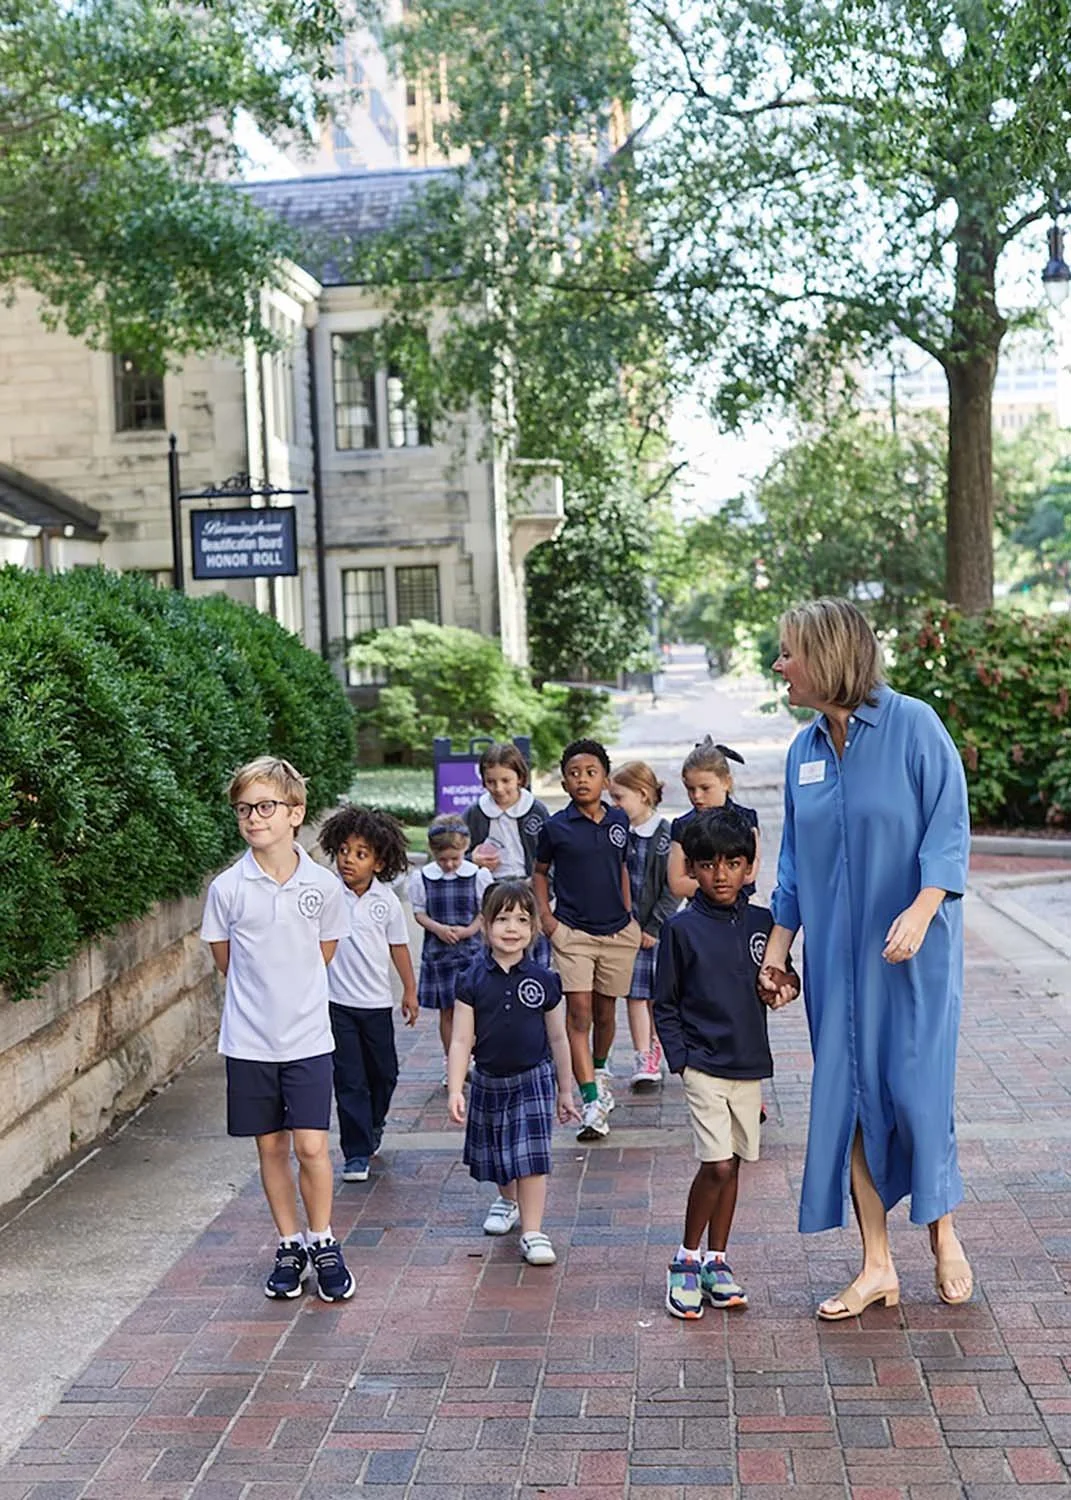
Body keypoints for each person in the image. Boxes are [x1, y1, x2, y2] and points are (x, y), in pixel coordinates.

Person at [760, 597, 973, 1319]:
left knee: (916, 1096)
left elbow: (947, 828)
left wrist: (921, 908)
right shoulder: (803, 752)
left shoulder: (913, 725)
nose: (778, 665)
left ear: (826, 657)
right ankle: (875, 1264)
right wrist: (779, 952)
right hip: (837, 969)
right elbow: (791, 865)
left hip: (912, 957)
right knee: (850, 1104)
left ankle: (942, 1233)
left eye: (787, 652)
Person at [199, 756, 355, 1302]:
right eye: (244, 809)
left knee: (312, 1146)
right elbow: (227, 960)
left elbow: (324, 954)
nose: (253, 818)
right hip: (248, 1043)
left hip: (309, 1040)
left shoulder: (323, 887)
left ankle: (324, 1241)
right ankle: (289, 1245)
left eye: (265, 807)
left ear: (296, 813)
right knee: (271, 1148)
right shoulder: (227, 888)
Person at [655, 809, 798, 1319]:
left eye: (733, 863)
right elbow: (664, 1003)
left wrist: (784, 988)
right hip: (703, 1066)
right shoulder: (681, 929)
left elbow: (786, 976)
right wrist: (682, 1063)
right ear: (692, 868)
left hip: (748, 1064)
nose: (721, 875)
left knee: (733, 1164)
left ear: (749, 866)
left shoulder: (763, 924)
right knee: (714, 1163)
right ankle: (685, 1259)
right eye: (709, 864)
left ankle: (718, 1260)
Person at [448, 881, 580, 1263]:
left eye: (522, 919)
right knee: (501, 1154)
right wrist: (456, 1088)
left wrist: (565, 1090)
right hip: (489, 1079)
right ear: (486, 924)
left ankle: (534, 1231)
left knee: (531, 1155)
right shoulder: (471, 980)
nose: (512, 928)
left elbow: (559, 1038)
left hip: (533, 1078)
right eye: (502, 918)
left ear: (534, 927)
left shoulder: (544, 980)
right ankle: (508, 1202)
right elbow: (460, 1040)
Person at [532, 739, 641, 1140]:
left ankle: (598, 1067)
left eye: (591, 772)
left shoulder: (618, 821)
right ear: (564, 783)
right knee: (579, 1013)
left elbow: (623, 867)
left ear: (605, 780)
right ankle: (591, 1099)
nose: (582, 779)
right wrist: (547, 918)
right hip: (572, 933)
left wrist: (629, 915)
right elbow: (540, 872)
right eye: (574, 773)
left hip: (616, 932)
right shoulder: (555, 828)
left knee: (606, 1013)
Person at [319, 805, 418, 1184]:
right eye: (344, 850)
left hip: (376, 1005)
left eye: (360, 854)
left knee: (385, 1074)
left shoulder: (386, 902)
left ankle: (374, 1123)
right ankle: (356, 1152)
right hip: (336, 1005)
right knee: (350, 1080)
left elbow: (399, 947)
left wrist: (409, 991)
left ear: (378, 862)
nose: (349, 859)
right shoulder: (327, 895)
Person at [608, 760, 678, 1088]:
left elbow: (672, 888)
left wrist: (653, 926)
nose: (615, 805)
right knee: (635, 995)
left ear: (643, 794)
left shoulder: (666, 834)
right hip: (626, 929)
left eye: (619, 798)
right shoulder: (618, 833)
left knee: (658, 996)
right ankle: (642, 1056)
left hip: (656, 932)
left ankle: (657, 1046)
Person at [410, 814, 493, 1075]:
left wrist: (470, 930)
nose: (449, 864)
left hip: (471, 953)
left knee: (477, 1009)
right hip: (440, 955)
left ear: (465, 849)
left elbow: (485, 911)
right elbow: (419, 912)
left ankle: (478, 1059)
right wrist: (439, 929)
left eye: (455, 859)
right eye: (442, 859)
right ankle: (454, 1063)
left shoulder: (477, 875)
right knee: (447, 1011)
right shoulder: (423, 878)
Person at [464, 741, 553, 964]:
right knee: (497, 953)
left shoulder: (536, 810)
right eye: (491, 782)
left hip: (530, 889)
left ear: (520, 778)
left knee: (532, 953)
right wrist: (472, 859)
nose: (499, 788)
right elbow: (452, 853)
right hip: (491, 891)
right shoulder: (475, 813)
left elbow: (554, 854)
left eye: (506, 781)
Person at [667, 738, 760, 900]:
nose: (697, 796)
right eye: (690, 789)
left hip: (741, 908)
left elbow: (749, 875)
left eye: (705, 788)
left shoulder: (746, 819)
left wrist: (703, 879)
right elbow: (676, 884)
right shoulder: (682, 826)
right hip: (699, 911)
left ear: (726, 782)